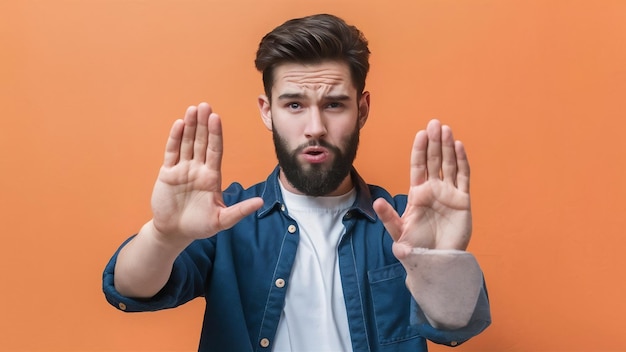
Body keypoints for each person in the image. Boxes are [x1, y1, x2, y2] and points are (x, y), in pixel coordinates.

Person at [103, 13, 491, 352]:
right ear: (267, 111)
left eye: (334, 104)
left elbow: (454, 326)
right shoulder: (223, 219)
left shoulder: (404, 223)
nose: (315, 128)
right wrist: (164, 235)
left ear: (363, 109)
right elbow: (132, 289)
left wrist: (439, 263)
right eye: (294, 105)